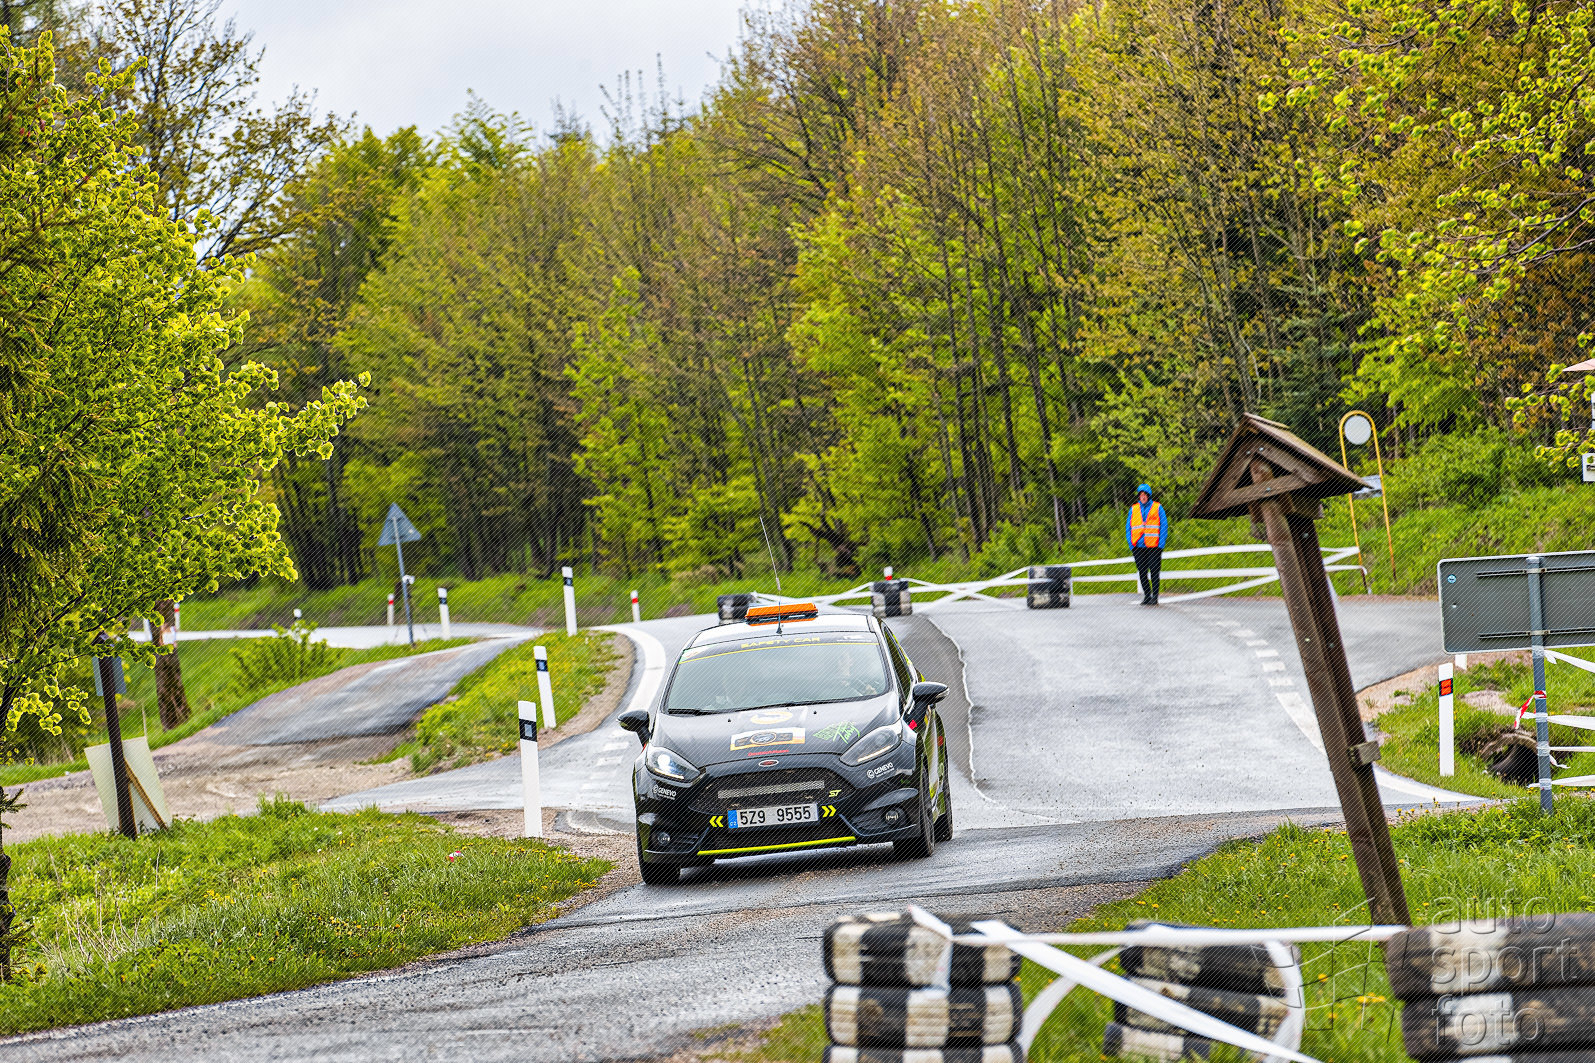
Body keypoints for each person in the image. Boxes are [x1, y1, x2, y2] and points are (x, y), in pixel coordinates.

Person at [1125, 483, 1169, 605]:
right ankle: (1147, 596)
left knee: (1154, 571)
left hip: (1154, 546)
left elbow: (1164, 526)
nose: (1143, 497)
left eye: (1145, 495)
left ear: (1149, 496)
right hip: (1138, 546)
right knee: (1142, 572)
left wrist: (1160, 545)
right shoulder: (1133, 509)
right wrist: (1132, 545)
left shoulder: (1157, 507)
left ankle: (1155, 597)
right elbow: (1128, 528)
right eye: (1141, 495)